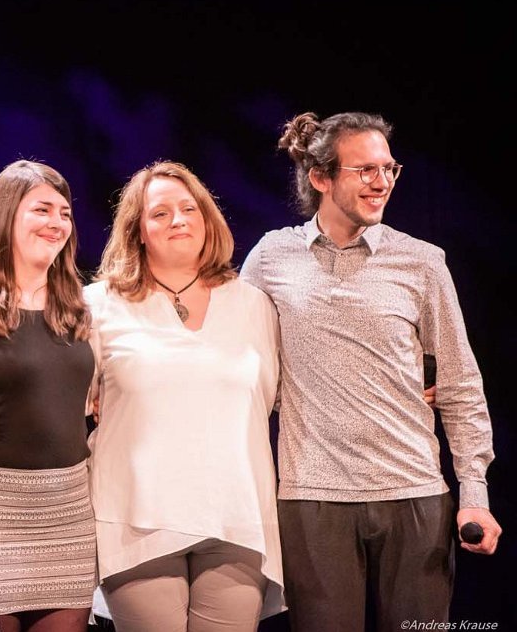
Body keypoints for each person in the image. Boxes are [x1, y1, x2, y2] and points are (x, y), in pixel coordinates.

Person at [239, 111, 501, 631]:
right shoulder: (272, 256)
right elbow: (240, 358)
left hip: (414, 495)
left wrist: (474, 494)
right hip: (313, 499)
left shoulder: (421, 261)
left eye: (389, 168)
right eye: (365, 170)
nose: (382, 182)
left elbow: (460, 383)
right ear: (321, 177)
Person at [84, 160, 285, 631]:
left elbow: (279, 398)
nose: (178, 220)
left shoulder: (253, 304)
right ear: (137, 231)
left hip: (237, 518)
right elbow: (68, 399)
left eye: (189, 208)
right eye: (160, 213)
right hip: (135, 522)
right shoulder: (99, 304)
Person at [0, 160, 97, 632]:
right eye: (42, 210)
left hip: (67, 511)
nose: (57, 223)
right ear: (6, 215)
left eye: (65, 213)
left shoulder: (80, 305)